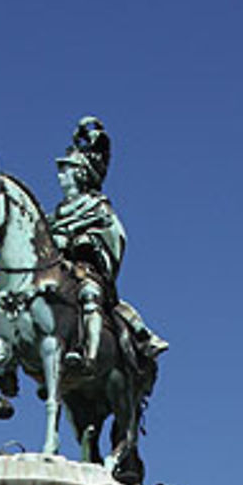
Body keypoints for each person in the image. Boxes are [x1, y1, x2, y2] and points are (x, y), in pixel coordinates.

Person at [48, 117, 168, 369]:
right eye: (61, 171)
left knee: (91, 296)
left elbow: (115, 236)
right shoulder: (55, 214)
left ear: (80, 174)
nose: (61, 177)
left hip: (87, 270)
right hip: (60, 271)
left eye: (66, 171)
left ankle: (89, 355)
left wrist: (86, 241)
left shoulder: (97, 207)